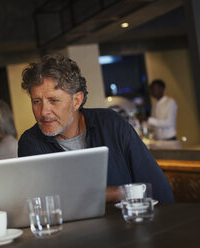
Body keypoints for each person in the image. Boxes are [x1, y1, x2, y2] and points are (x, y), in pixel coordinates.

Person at [17, 55, 174, 203]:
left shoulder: (111, 123)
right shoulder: (30, 142)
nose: (44, 111)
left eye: (53, 100)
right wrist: (117, 193)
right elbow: (48, 202)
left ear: (76, 101)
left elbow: (157, 187)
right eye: (36, 101)